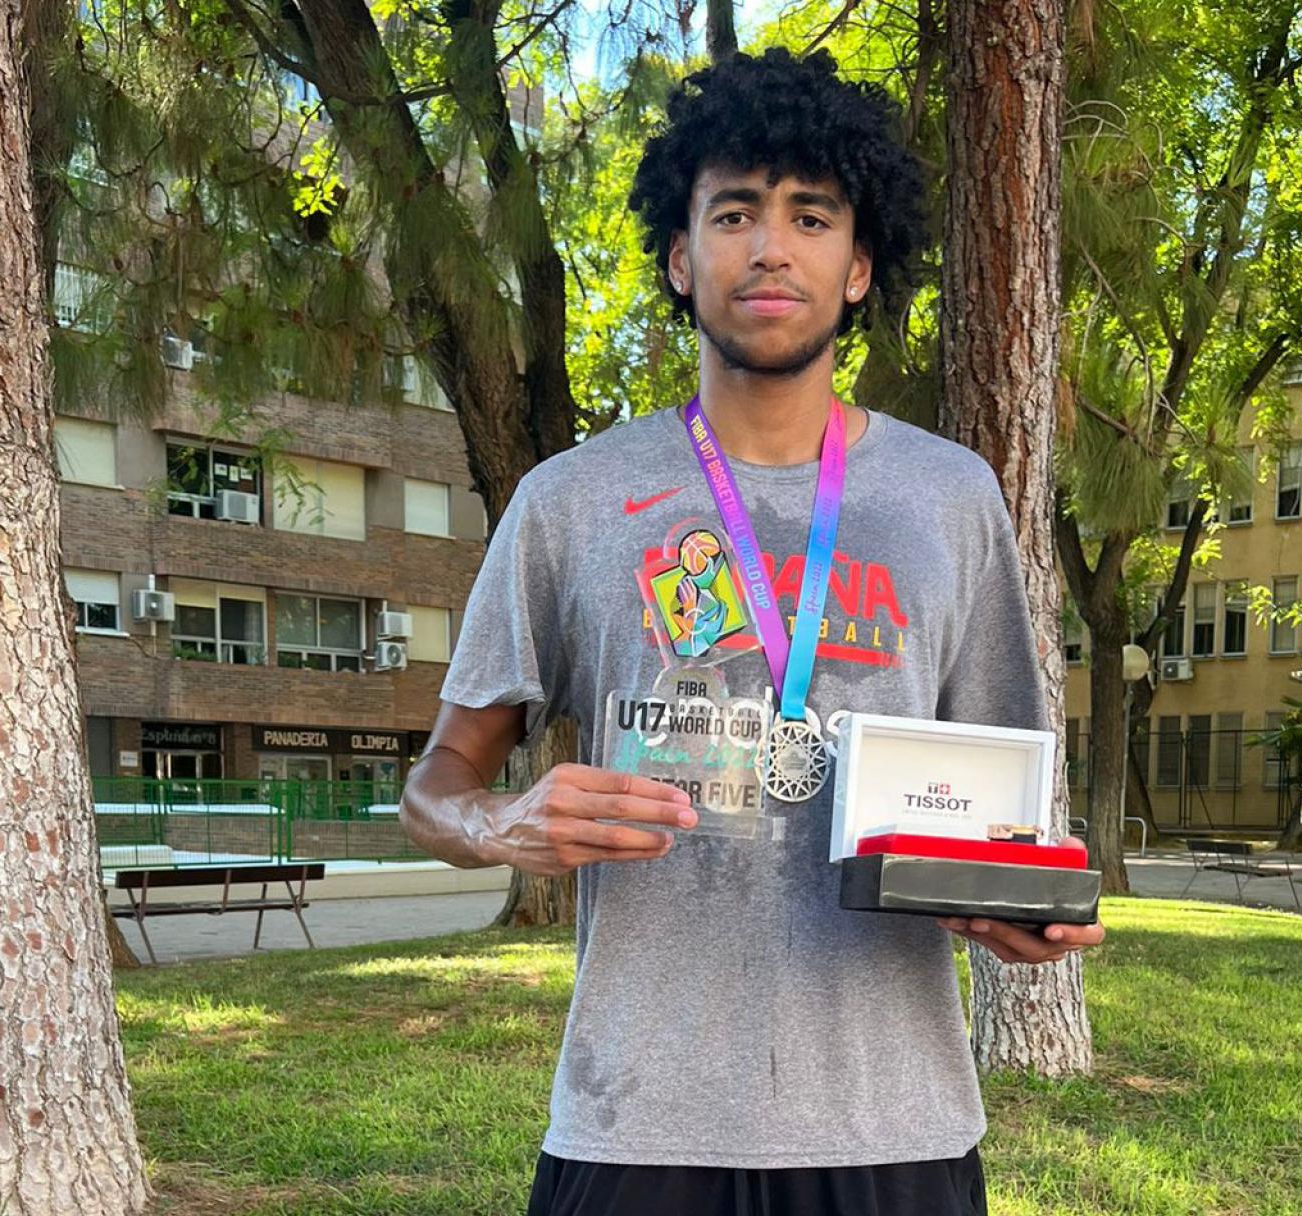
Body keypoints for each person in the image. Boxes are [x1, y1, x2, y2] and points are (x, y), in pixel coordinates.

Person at [400, 48, 1104, 1216]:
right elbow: (437, 784)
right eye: (733, 212)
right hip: (638, 1124)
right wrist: (500, 818)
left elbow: (1005, 816)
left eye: (810, 215)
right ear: (681, 258)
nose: (770, 246)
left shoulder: (951, 497)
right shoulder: (570, 502)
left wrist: (1018, 909)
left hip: (897, 1127)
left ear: (861, 264)